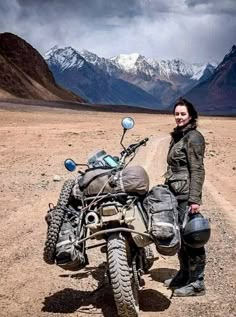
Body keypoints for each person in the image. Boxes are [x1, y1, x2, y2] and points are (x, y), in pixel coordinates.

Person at [163, 97, 206, 297]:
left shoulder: (193, 137)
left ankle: (197, 283)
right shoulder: (179, 135)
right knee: (179, 235)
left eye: (183, 114)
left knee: (192, 237)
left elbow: (197, 169)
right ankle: (184, 273)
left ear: (190, 115)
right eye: (177, 113)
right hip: (175, 191)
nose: (179, 117)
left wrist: (194, 199)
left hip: (186, 193)